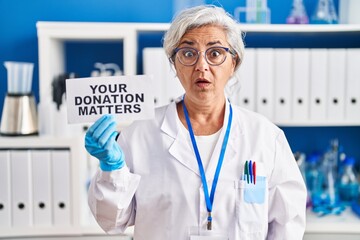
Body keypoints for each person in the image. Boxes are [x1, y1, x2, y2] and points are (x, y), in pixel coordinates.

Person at [85, 5, 307, 240]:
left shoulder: (266, 138)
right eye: (189, 54)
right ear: (175, 64)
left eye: (215, 53)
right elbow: (112, 222)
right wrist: (112, 170)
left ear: (234, 63)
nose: (202, 66)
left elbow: (287, 226)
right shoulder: (139, 135)